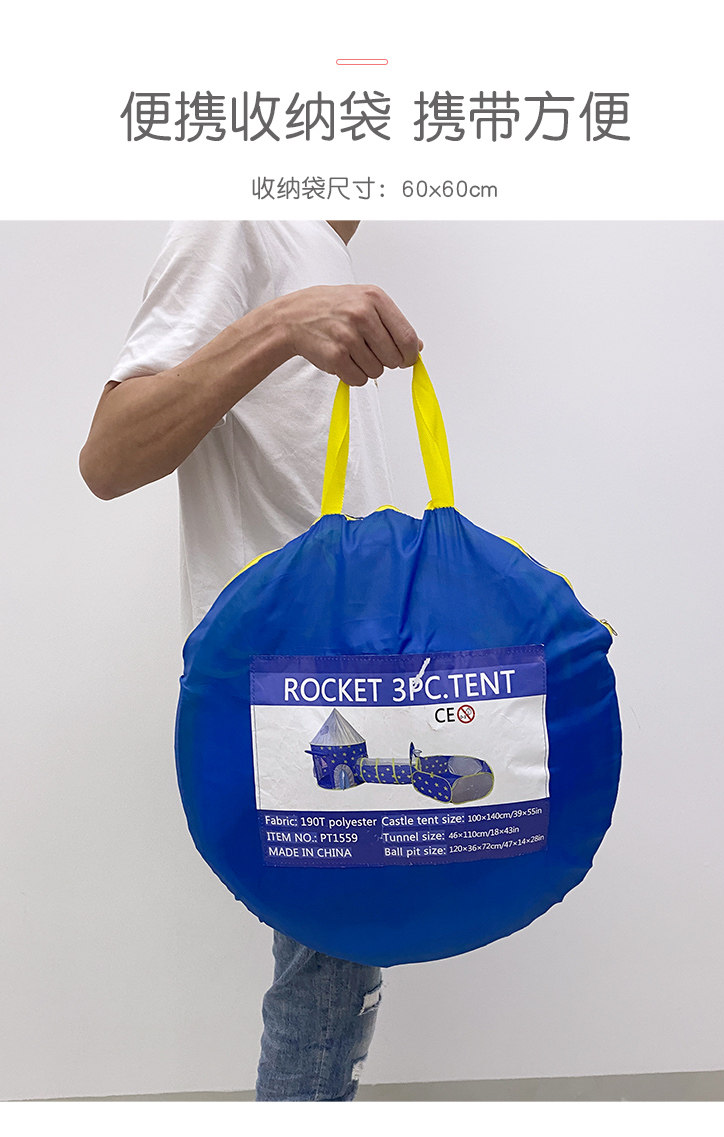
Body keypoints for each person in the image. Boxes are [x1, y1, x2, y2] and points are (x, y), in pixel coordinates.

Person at [79, 219, 423, 1101]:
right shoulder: (237, 213)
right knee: (328, 974)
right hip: (291, 685)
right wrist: (279, 323)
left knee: (337, 975)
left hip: (351, 678)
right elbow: (109, 456)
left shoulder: (318, 241)